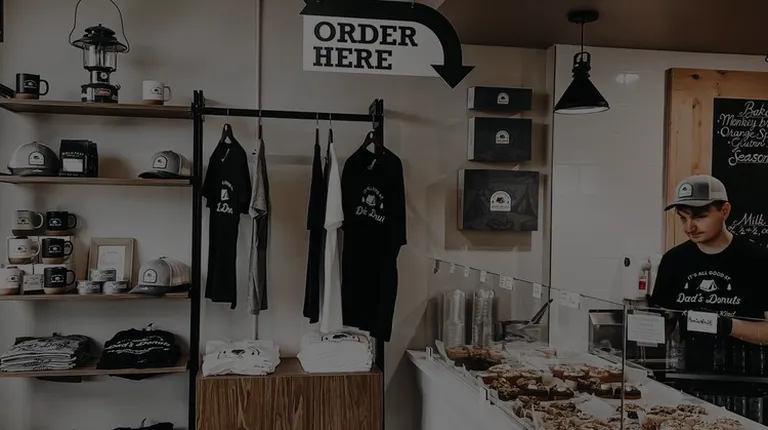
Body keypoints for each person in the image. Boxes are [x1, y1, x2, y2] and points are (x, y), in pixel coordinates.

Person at [651, 174, 768, 347]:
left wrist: (727, 325)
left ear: (724, 211)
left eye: (700, 217)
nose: (689, 227)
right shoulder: (673, 261)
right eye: (683, 218)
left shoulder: (759, 260)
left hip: (744, 362)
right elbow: (663, 325)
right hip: (686, 363)